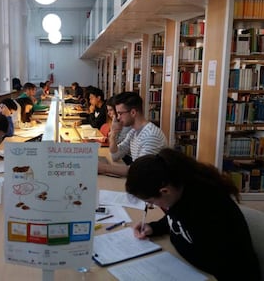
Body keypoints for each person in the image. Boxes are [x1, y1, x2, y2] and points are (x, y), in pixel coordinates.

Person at [127, 148, 261, 281]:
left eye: (151, 202)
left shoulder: (206, 208)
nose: (152, 206)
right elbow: (175, 221)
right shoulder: (180, 188)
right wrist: (154, 227)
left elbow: (220, 263)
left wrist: (175, 242)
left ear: (165, 191)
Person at [98, 91, 167, 176]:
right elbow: (115, 156)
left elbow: (139, 171)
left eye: (120, 113)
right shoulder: (134, 131)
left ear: (133, 112)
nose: (118, 118)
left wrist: (104, 168)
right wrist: (113, 135)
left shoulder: (151, 136)